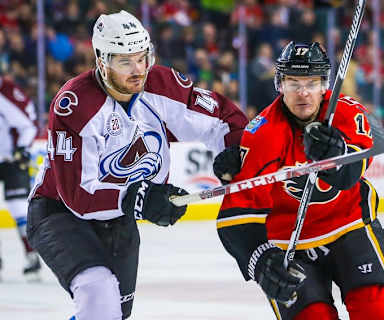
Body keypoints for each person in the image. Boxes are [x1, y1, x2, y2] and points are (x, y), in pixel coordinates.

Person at [26, 10, 247, 320]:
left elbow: (223, 121)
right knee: (99, 297)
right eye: (124, 61)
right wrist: (139, 198)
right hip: (59, 212)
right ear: (102, 61)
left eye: (142, 57)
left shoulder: (162, 86)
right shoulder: (74, 104)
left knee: (112, 314)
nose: (138, 69)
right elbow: (78, 196)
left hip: (119, 218)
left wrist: (237, 154)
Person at [213, 41, 384, 319]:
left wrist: (336, 156)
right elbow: (235, 216)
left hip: (349, 227)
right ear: (280, 84)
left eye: (312, 83)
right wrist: (262, 260)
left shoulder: (347, 112)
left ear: (325, 84)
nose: (303, 93)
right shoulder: (263, 134)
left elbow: (357, 167)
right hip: (288, 243)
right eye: (293, 83)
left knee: (376, 311)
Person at [0, 75, 40, 281]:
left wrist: (23, 149)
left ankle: (31, 255)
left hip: (11, 159)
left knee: (17, 207)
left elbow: (29, 124)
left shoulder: (6, 92)